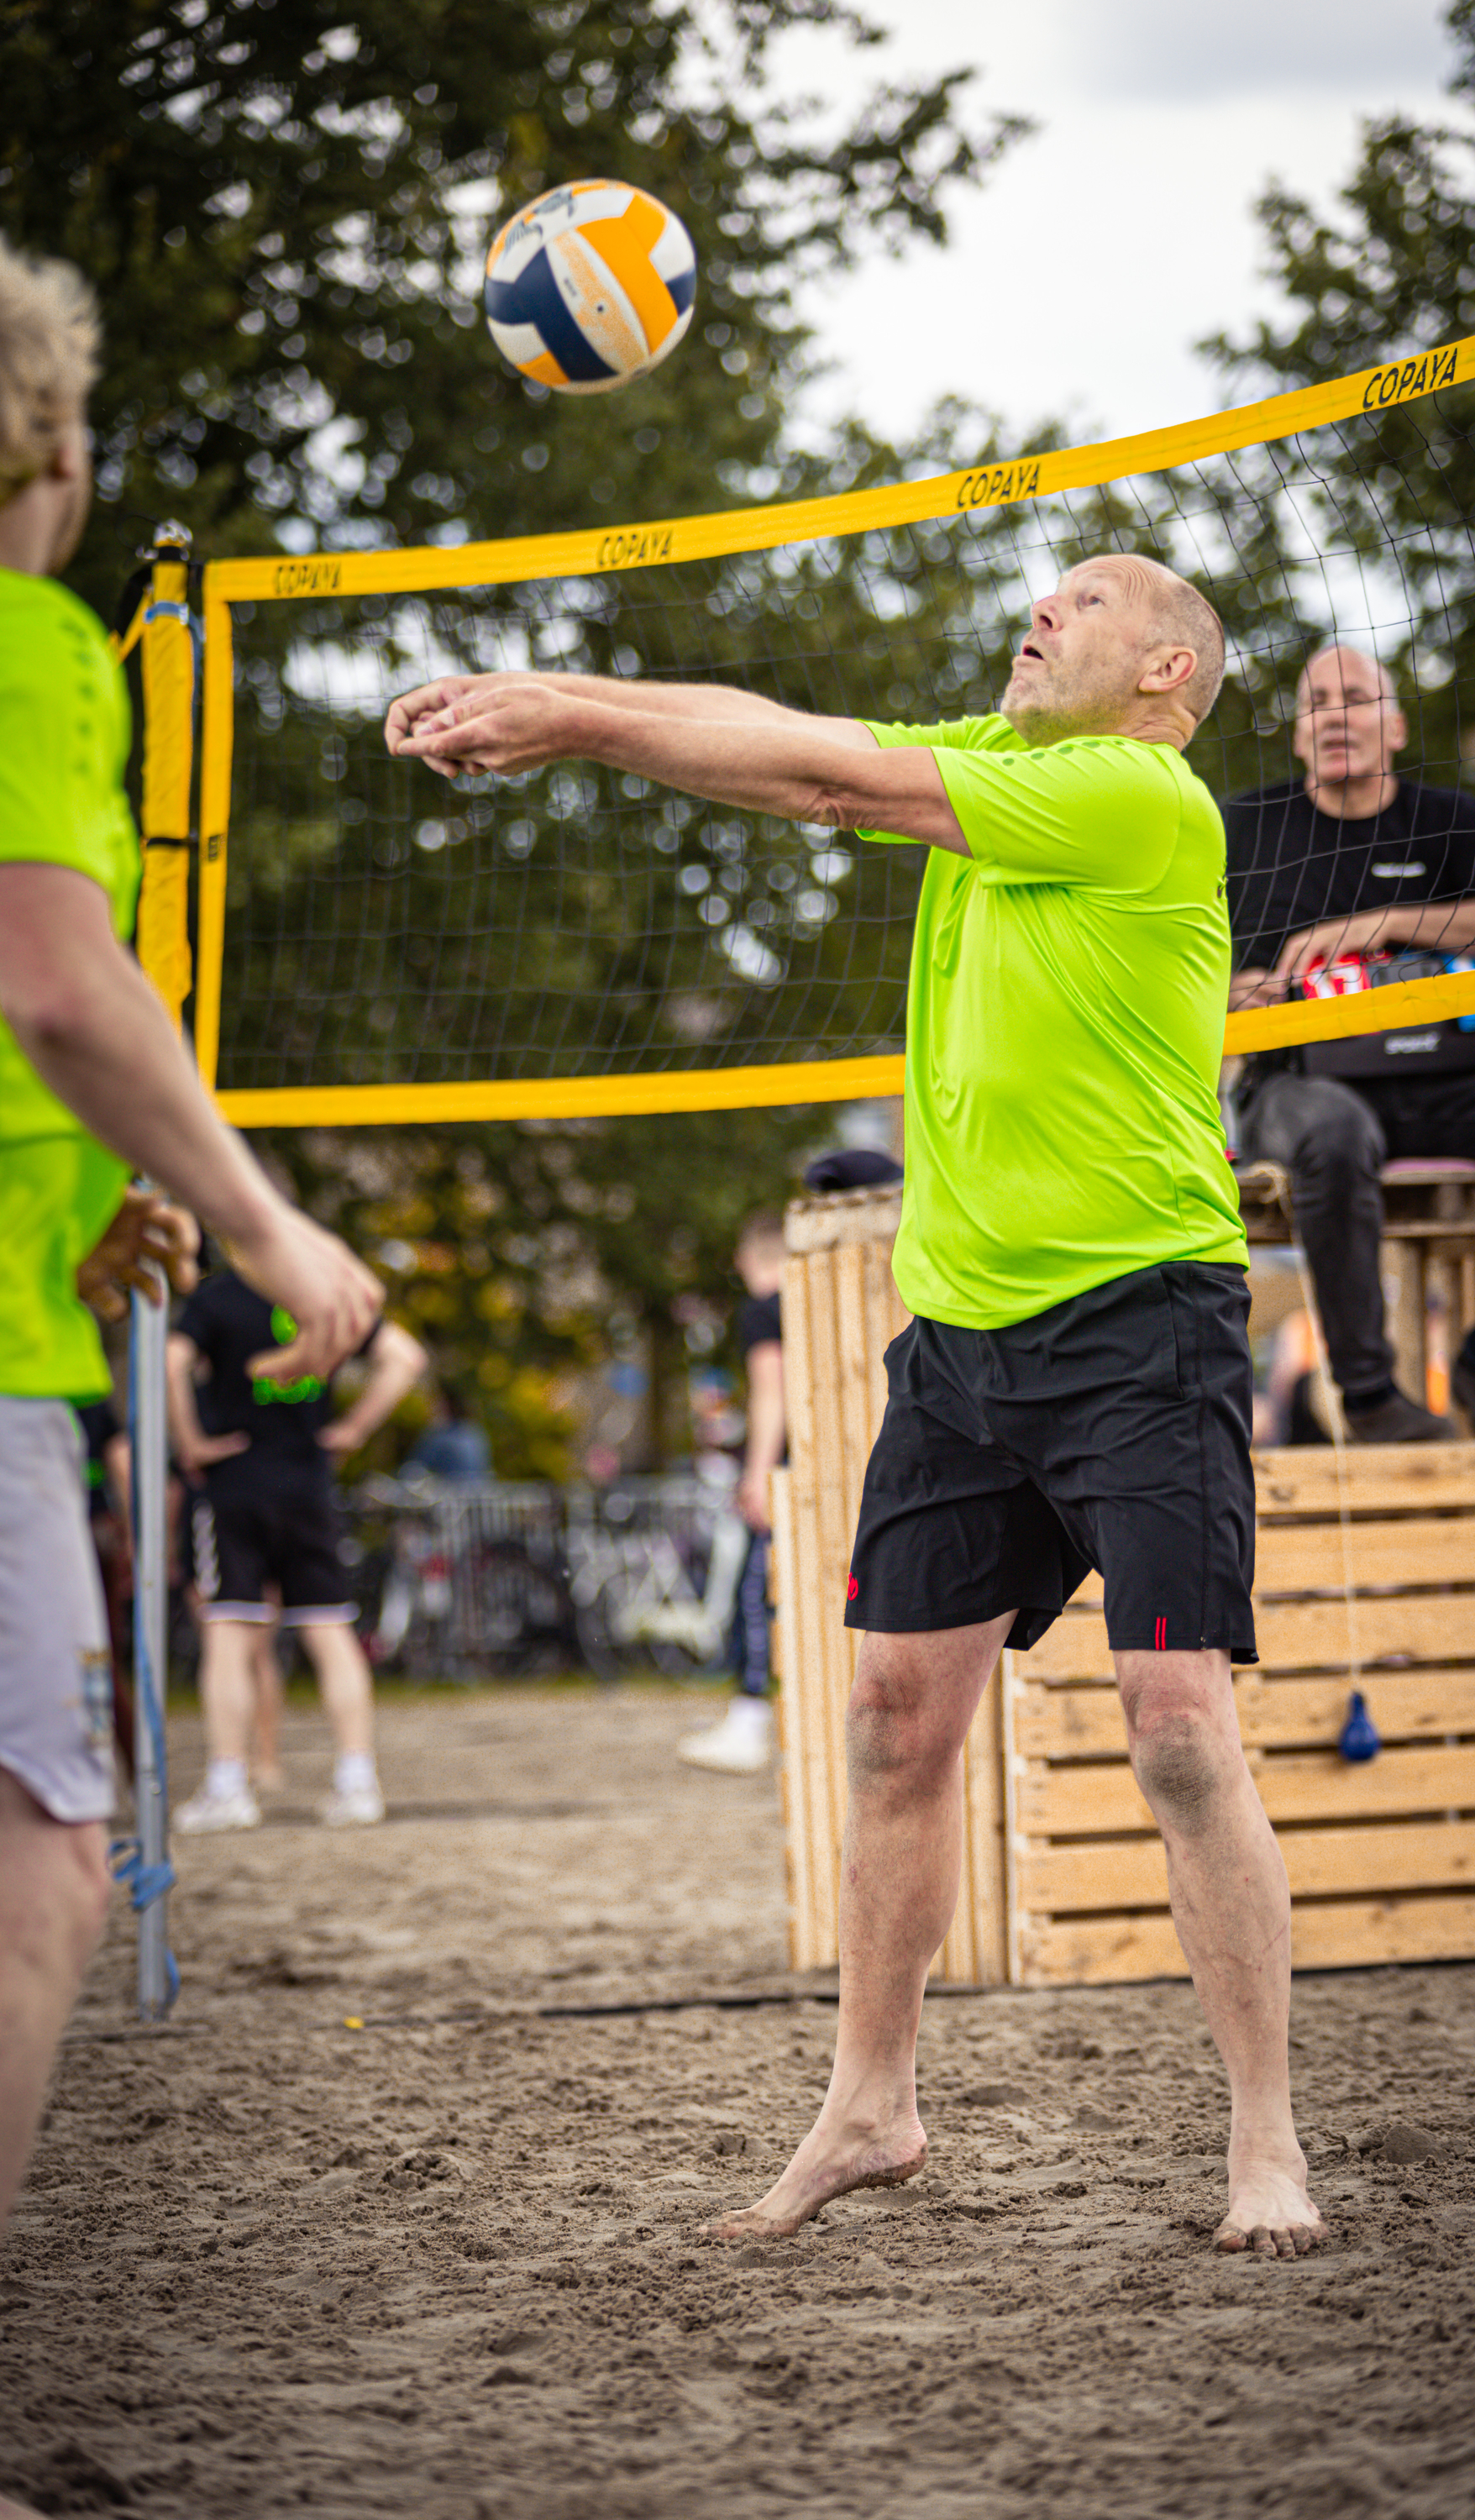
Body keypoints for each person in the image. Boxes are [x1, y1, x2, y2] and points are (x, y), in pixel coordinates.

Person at [386, 549, 1321, 2258]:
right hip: (961, 1333)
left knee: (1179, 1732)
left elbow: (820, 773)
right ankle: (870, 2106)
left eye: (1092, 597)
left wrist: (572, 718)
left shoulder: (1132, 798)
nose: (1045, 602)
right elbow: (782, 730)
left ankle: (1264, 2145)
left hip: (1142, 1325)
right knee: (894, 1723)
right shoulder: (1004, 767)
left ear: (1165, 678)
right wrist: (563, 715)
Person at [0, 238, 381, 2323]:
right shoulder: (34, 642)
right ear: (51, 438)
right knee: (54, 1859)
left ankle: (310, 1767)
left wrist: (79, 1227)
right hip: (6, 1394)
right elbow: (59, 980)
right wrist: (254, 1211)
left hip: (52, 1324)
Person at [1226, 645, 1475, 1441]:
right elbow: (1178, 959)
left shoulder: (1453, 820)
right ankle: (1370, 1396)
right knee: (1337, 1133)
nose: (1336, 715)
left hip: (1442, 1078)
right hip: (1298, 1086)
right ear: (1300, 735)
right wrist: (1236, 994)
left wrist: (1384, 923)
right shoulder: (1243, 825)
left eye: (1356, 697)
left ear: (1396, 725)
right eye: (1317, 703)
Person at [167, 1268, 426, 1830]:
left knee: (230, 1633)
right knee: (330, 1631)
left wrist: (189, 1442)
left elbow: (171, 1361)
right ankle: (358, 1782)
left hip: (235, 1482)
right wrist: (353, 1428)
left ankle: (228, 1785)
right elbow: (403, 1356)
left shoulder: (218, 1298)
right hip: (307, 1487)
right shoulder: (323, 1291)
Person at [678, 1210, 786, 1776]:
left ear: (751, 1258)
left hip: (788, 1474)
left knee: (754, 1593)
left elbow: (772, 1393)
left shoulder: (764, 1310)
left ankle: (750, 1718)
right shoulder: (818, 1301)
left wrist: (758, 1474)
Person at [404, 1380, 491, 1482]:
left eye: (434, 1402)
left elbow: (414, 1470)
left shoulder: (441, 1436)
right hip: (479, 1492)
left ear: (446, 1405)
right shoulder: (476, 1432)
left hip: (449, 1494)